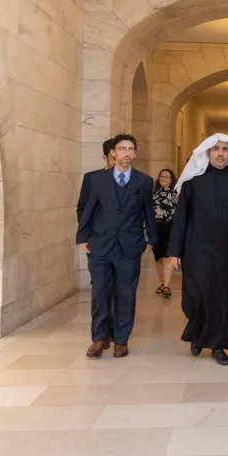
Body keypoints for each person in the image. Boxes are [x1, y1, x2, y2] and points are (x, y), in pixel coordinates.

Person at [165, 134, 228, 366]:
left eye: (224, 150)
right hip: (197, 250)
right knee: (195, 297)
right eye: (215, 149)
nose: (220, 153)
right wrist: (174, 251)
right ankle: (198, 333)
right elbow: (181, 218)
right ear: (207, 153)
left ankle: (218, 345)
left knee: (224, 300)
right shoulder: (193, 181)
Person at [76, 134, 158, 359]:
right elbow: (87, 210)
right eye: (122, 149)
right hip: (100, 246)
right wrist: (82, 237)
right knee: (100, 293)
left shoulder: (143, 181)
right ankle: (98, 338)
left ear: (135, 153)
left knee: (126, 294)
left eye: (131, 149)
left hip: (129, 247)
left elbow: (147, 212)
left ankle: (121, 340)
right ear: (113, 153)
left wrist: (151, 238)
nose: (127, 154)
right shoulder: (97, 180)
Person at [152, 169, 178, 298]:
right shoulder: (153, 194)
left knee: (167, 257)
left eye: (167, 176)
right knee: (158, 258)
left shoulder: (176, 194)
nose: (164, 178)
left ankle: (167, 286)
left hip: (170, 228)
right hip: (156, 229)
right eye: (162, 176)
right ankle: (163, 284)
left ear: (171, 179)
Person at [77, 139, 114, 221]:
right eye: (114, 158)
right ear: (105, 158)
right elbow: (82, 208)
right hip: (98, 232)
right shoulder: (91, 178)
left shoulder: (136, 179)